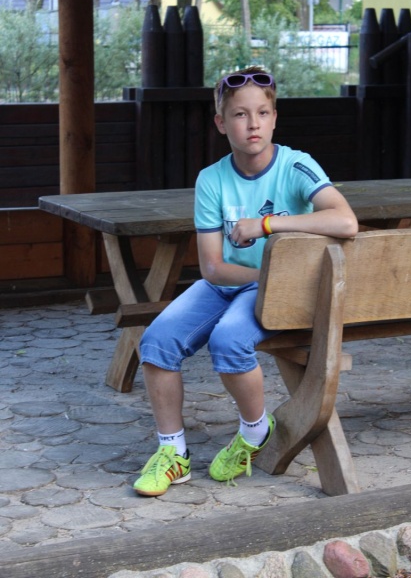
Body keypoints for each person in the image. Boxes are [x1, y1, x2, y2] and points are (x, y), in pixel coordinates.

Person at [133, 66, 358, 497]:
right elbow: (213, 268)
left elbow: (346, 221)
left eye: (262, 113)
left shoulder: (295, 165)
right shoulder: (211, 179)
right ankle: (173, 454)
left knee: (229, 340)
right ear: (221, 123)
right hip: (229, 281)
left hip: (278, 291)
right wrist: (267, 273)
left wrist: (266, 224)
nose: (252, 123)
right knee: (157, 342)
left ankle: (255, 430)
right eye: (239, 114)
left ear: (274, 119)